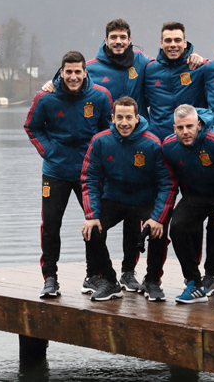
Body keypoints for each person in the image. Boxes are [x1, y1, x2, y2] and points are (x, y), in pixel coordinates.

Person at [41, 19, 202, 292]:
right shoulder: (91, 67)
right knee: (94, 219)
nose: (118, 41)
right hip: (105, 150)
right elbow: (71, 77)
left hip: (140, 146)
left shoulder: (143, 63)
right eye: (113, 37)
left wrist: (194, 56)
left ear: (130, 39)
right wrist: (53, 82)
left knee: (136, 217)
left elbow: (171, 61)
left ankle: (131, 273)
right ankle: (96, 275)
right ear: (106, 40)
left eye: (123, 37)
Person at [24, 51, 113, 298]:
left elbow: (108, 131)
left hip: (89, 172)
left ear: (85, 72)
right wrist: (49, 151)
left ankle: (93, 276)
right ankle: (50, 278)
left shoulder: (100, 96)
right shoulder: (45, 98)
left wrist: (100, 161)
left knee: (95, 224)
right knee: (51, 226)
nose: (73, 77)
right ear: (61, 72)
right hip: (56, 171)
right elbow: (31, 127)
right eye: (68, 72)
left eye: (78, 72)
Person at [80, 96, 178, 302]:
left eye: (129, 117)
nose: (124, 123)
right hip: (114, 198)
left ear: (137, 118)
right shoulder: (100, 141)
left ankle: (152, 281)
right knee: (92, 230)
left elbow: (167, 183)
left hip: (144, 200)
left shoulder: (152, 144)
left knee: (159, 230)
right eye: (119, 117)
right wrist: (91, 215)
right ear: (113, 118)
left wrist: (158, 217)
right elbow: (89, 179)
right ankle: (110, 281)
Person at [163, 105, 214, 303]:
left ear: (199, 125)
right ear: (174, 128)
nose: (185, 132)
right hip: (195, 194)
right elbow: (168, 181)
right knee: (177, 226)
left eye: (190, 126)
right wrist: (161, 215)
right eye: (180, 128)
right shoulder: (168, 146)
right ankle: (194, 282)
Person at [144, 22, 207, 140]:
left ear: (184, 43)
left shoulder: (198, 68)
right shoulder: (149, 70)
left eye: (177, 40)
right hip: (159, 141)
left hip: (190, 141)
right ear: (161, 44)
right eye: (168, 40)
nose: (173, 45)